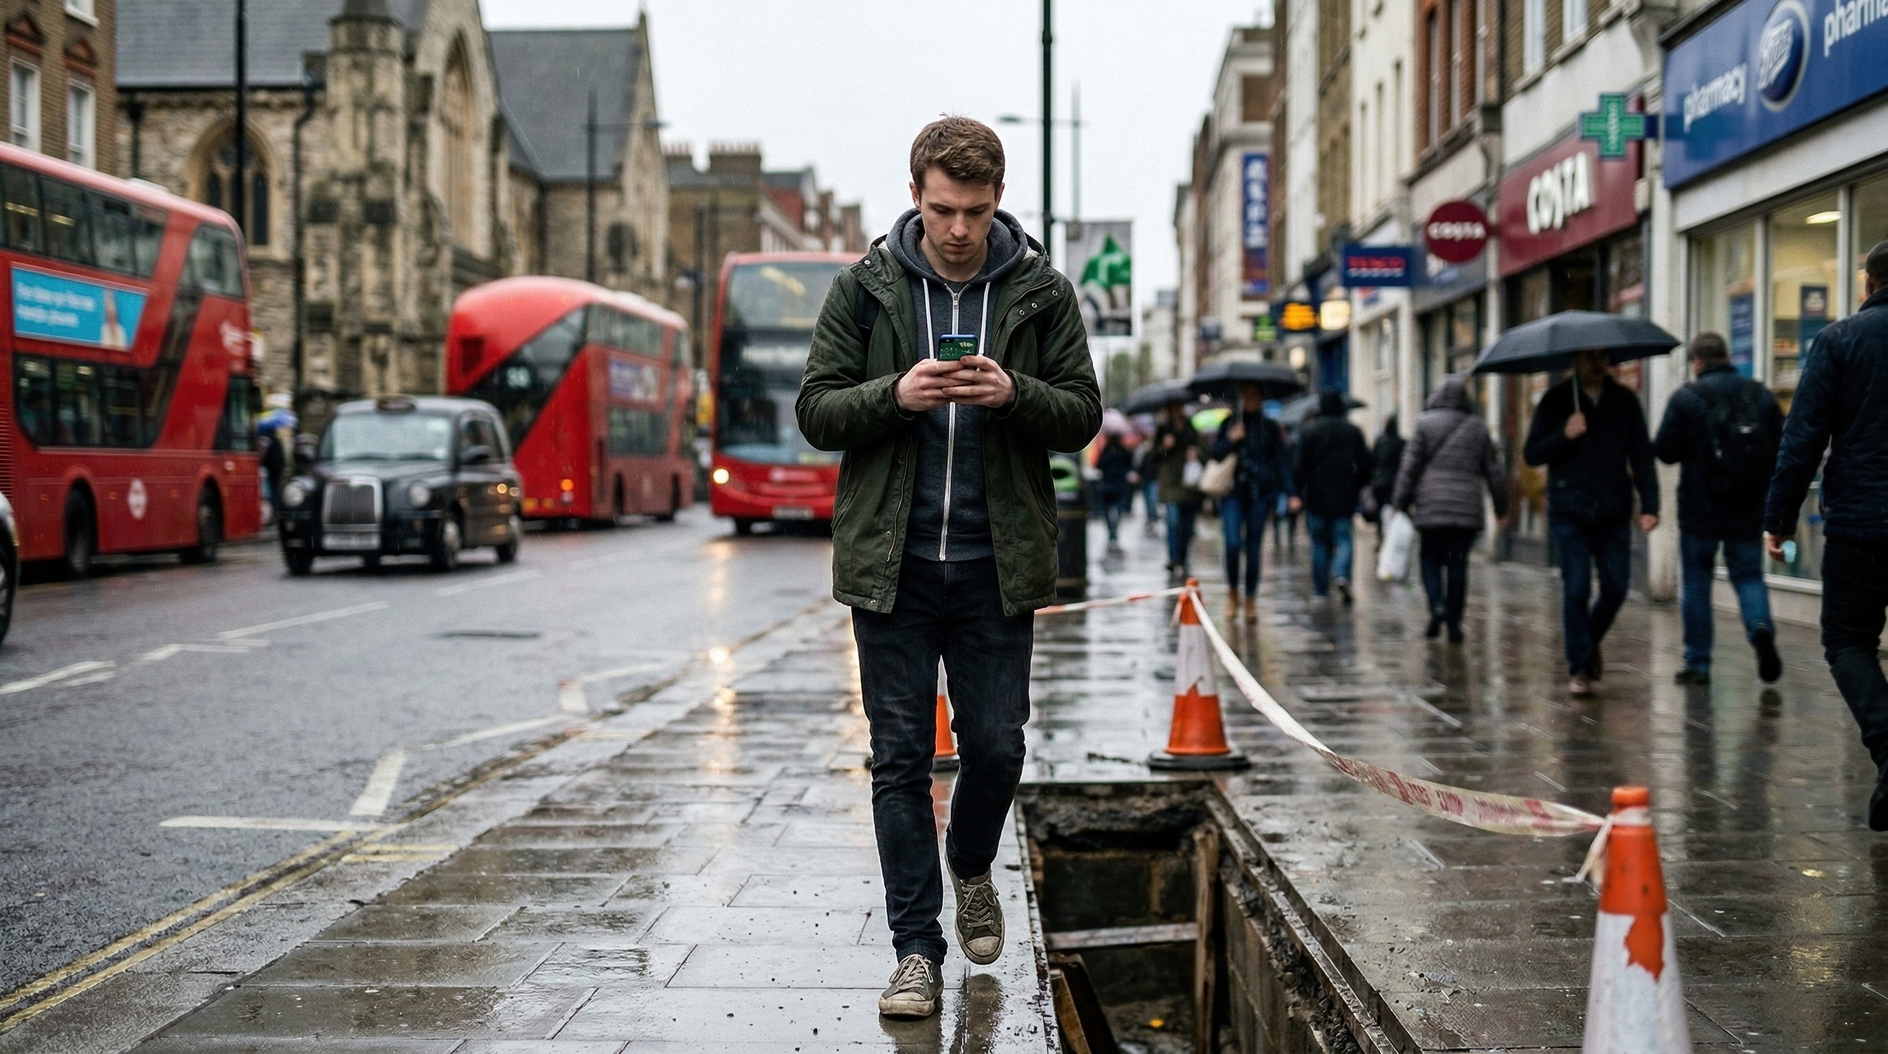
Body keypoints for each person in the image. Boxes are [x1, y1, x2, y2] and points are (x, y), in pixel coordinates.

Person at [795, 116, 1102, 1017]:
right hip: (891, 568)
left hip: (993, 565)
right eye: (941, 209)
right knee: (899, 761)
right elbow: (816, 411)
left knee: (998, 748)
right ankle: (916, 953)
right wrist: (894, 396)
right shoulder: (865, 291)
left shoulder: (1043, 294)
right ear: (914, 194)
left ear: (998, 199)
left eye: (973, 210)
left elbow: (1082, 411)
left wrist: (1015, 395)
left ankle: (971, 862)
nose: (958, 229)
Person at [1764, 239, 1888, 831]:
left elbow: (1804, 435)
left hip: (1861, 521)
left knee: (1846, 639)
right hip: (1861, 514)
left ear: (1868, 284)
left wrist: (1779, 517)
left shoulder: (1839, 341)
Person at [1523, 348, 1660, 697]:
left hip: (1613, 510)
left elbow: (1642, 455)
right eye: (1589, 358)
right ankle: (1580, 668)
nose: (1597, 364)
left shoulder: (1625, 401)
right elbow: (1532, 452)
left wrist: (1650, 504)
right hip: (1569, 510)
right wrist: (1564, 435)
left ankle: (1588, 638)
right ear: (1575, 361)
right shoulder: (1555, 400)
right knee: (1577, 587)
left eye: (1602, 357)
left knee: (1616, 587)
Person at [1654, 332, 1784, 686]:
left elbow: (1665, 450)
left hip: (1700, 509)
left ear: (1697, 361)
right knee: (1748, 575)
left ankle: (1698, 664)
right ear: (1727, 357)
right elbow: (1781, 445)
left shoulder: (1685, 398)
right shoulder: (1758, 394)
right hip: (1747, 506)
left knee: (1696, 584)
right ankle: (1759, 629)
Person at [1393, 376, 1508, 643]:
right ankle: (1455, 621)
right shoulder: (1478, 427)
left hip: (1431, 507)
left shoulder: (1425, 423)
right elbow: (1494, 471)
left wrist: (1400, 501)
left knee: (1429, 560)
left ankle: (1437, 605)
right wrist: (1501, 507)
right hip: (1466, 510)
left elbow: (1409, 467)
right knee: (1458, 565)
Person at [1210, 382, 1294, 618]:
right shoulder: (1229, 423)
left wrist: (1291, 492)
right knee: (1233, 544)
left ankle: (1250, 600)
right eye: (1246, 395)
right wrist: (1232, 439)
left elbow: (1280, 461)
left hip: (1260, 495)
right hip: (1233, 494)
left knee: (1254, 549)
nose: (1250, 399)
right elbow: (1215, 453)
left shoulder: (1269, 427)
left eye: (1254, 395)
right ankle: (1232, 593)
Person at [1294, 390, 1372, 602]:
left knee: (1319, 544)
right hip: (1344, 496)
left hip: (1316, 497)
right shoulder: (1353, 432)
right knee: (1344, 540)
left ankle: (1320, 591)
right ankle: (1341, 574)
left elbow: (1300, 466)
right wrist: (1358, 485)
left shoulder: (1309, 432)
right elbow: (1365, 464)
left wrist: (1300, 492)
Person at [1152, 399, 1203, 582]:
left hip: (1189, 484)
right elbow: (1153, 456)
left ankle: (1183, 557)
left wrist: (1196, 453)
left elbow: (1205, 451)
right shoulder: (1162, 429)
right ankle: (1174, 559)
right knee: (1173, 522)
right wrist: (1163, 447)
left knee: (1187, 527)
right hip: (1170, 484)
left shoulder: (1191, 427)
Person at [1095, 430, 1134, 549]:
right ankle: (1113, 533)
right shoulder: (1121, 451)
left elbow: (1099, 465)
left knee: (1110, 512)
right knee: (1116, 511)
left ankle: (1112, 533)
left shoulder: (1109, 451)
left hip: (1110, 485)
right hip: (1116, 485)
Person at [1369, 414, 1406, 535]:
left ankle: (1381, 534)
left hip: (1380, 482)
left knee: (1380, 509)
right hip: (1395, 481)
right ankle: (1391, 534)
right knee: (1394, 509)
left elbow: (1373, 460)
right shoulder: (1401, 443)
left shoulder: (1379, 442)